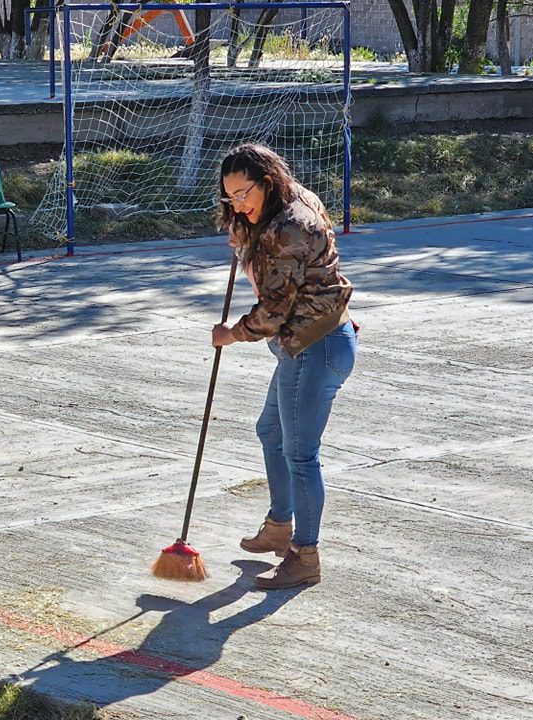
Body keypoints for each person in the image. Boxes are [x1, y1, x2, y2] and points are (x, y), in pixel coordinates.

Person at [211, 143, 357, 589]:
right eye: (229, 196)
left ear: (268, 183)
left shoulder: (289, 226)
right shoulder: (291, 204)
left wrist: (231, 333)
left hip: (316, 345)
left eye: (243, 194)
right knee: (271, 434)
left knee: (300, 455)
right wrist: (245, 237)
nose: (238, 204)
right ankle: (280, 525)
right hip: (306, 345)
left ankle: (304, 556)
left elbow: (273, 310)